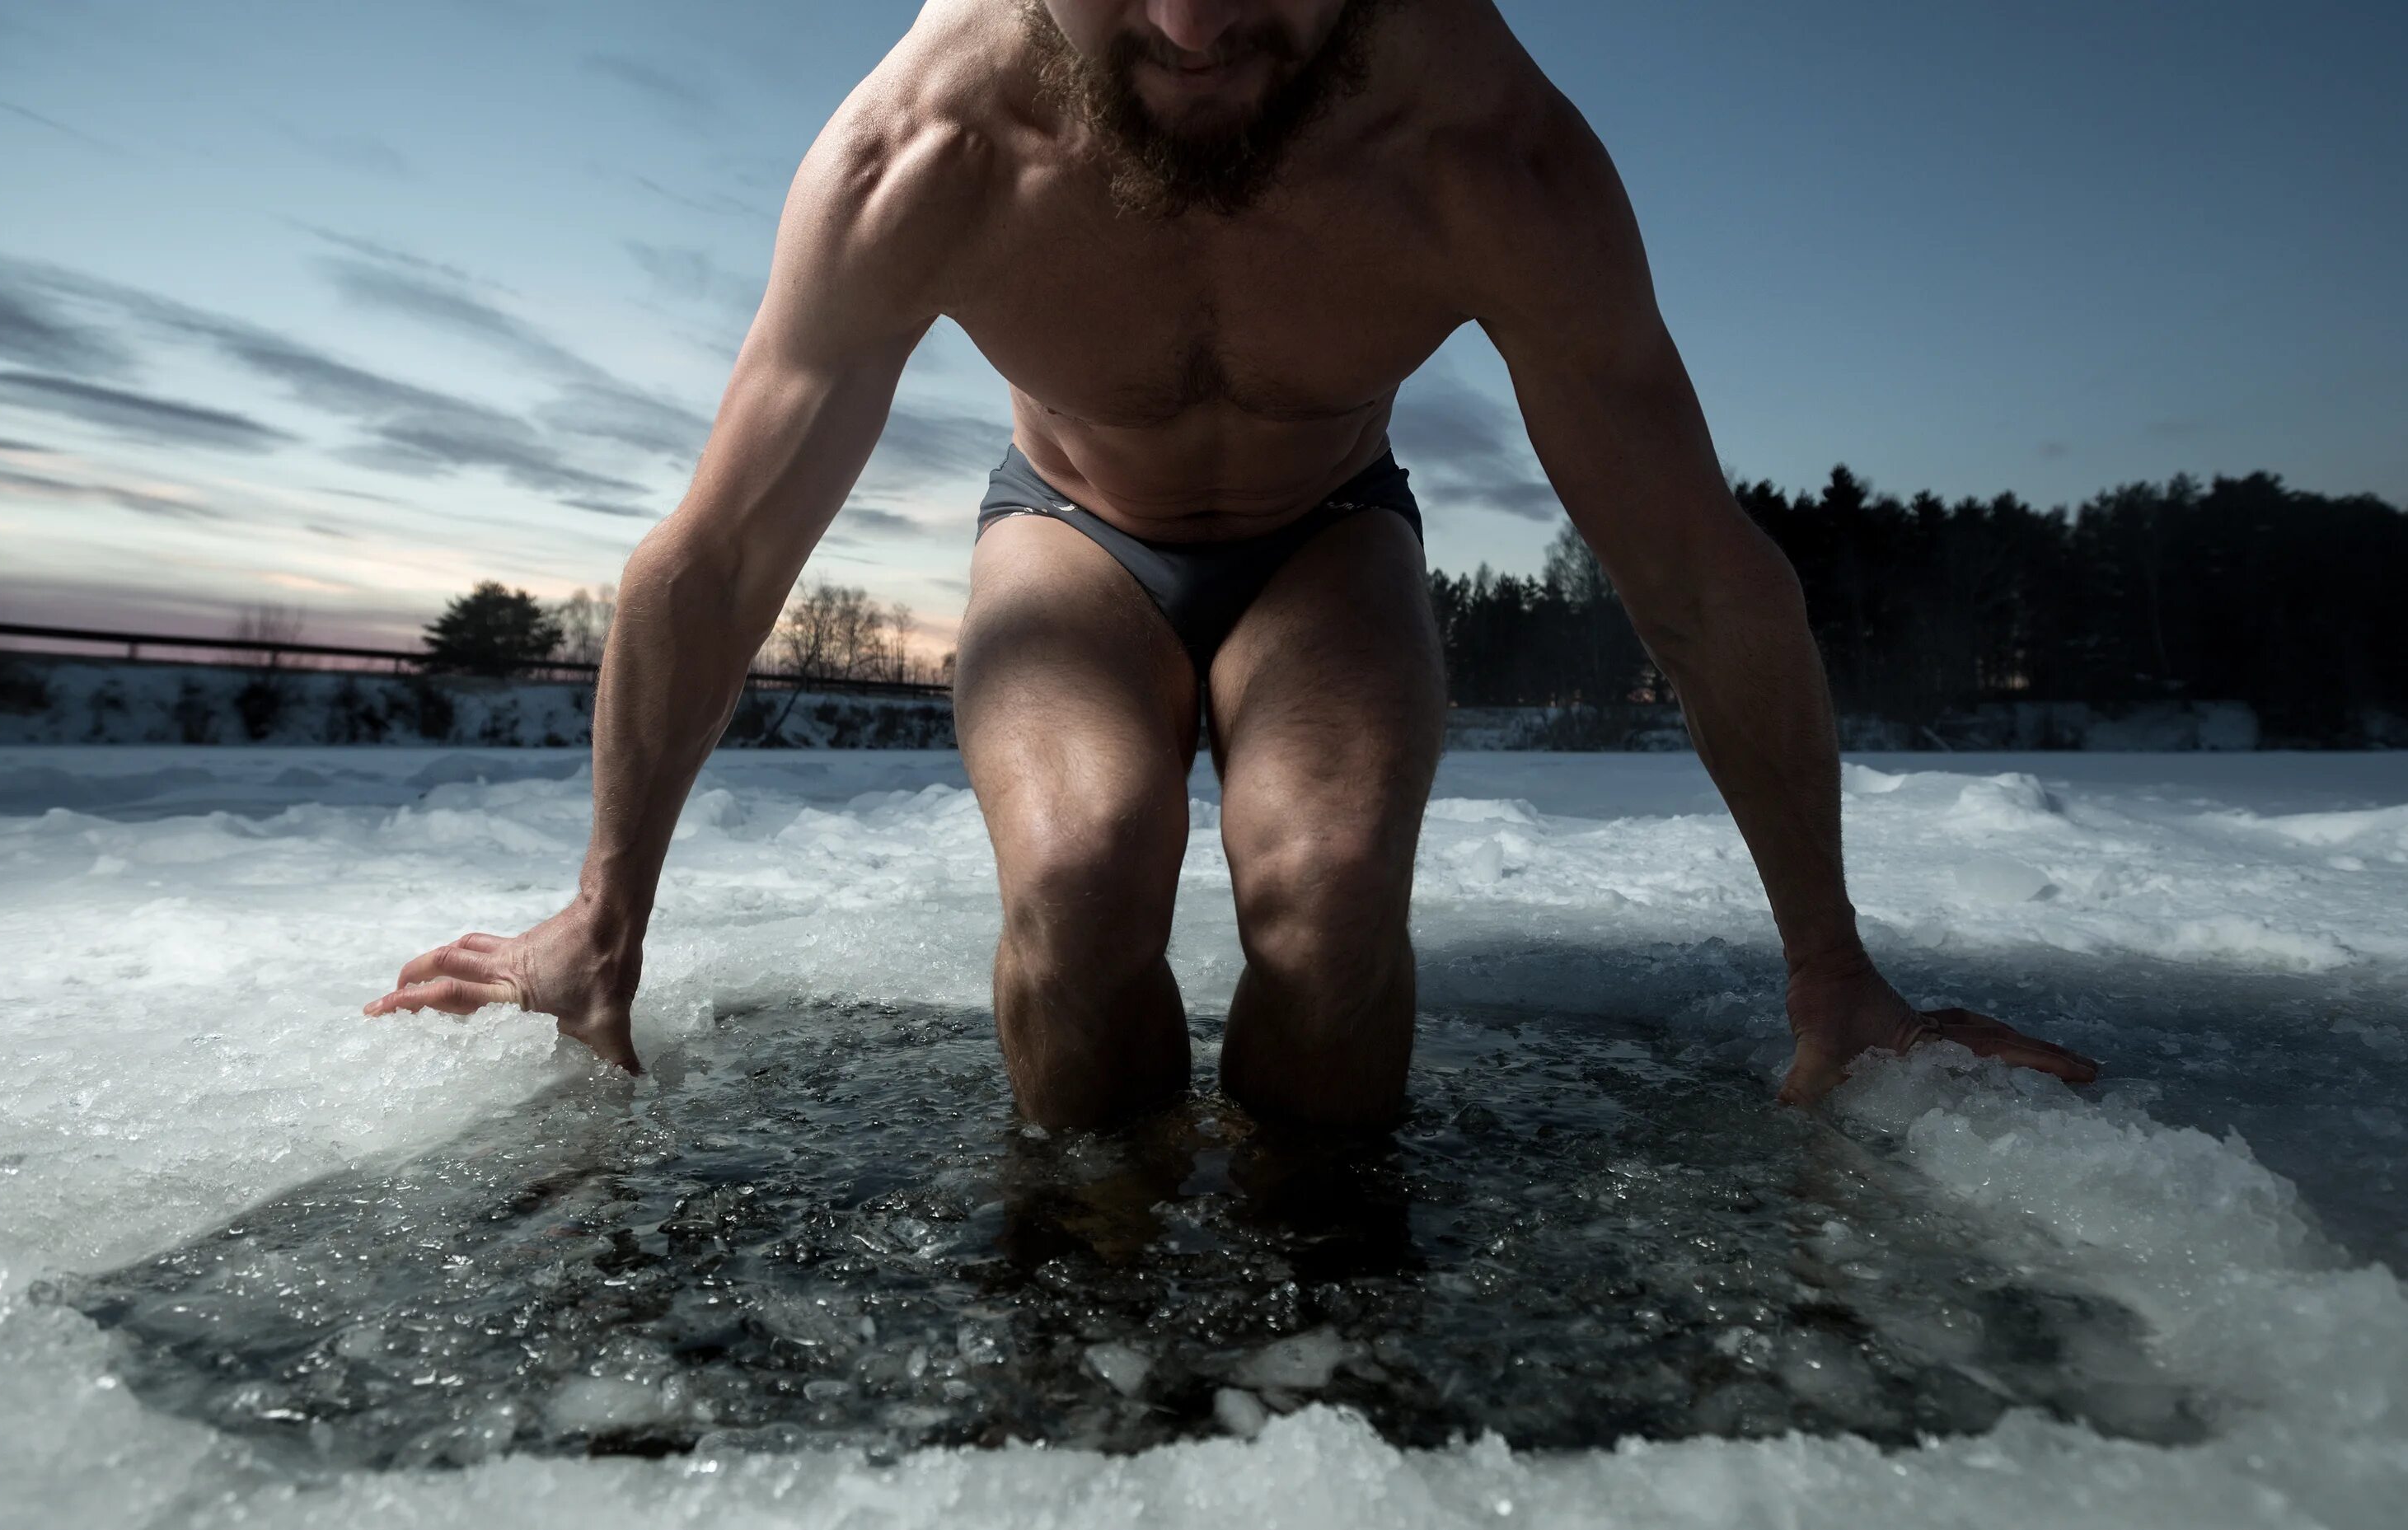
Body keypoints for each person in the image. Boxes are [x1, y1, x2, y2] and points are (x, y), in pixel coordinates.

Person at [365, 0, 2099, 1130]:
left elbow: (1702, 573)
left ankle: (1321, 1275)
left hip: (1328, 539)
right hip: (1068, 536)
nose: (1194, 28)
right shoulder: (927, 150)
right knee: (1080, 876)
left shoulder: (1483, 151)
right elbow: (722, 550)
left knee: (1332, 892)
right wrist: (606, 909)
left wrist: (1832, 972)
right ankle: (1089, 1257)